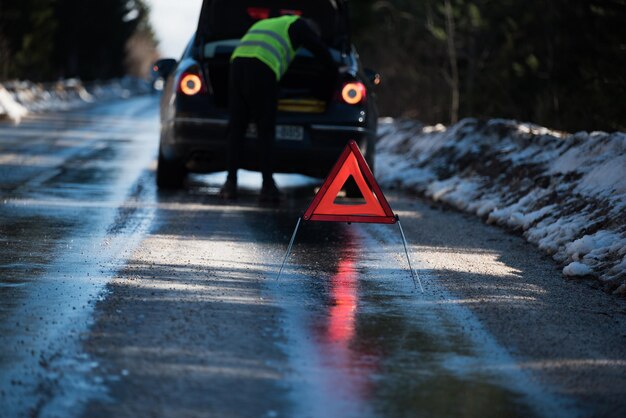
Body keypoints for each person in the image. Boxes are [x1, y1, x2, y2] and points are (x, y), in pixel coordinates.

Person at [220, 15, 337, 202]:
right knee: (265, 128)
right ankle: (267, 187)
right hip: (262, 67)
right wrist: (334, 70)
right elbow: (320, 50)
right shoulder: (298, 25)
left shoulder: (267, 23)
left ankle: (230, 184)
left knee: (237, 127)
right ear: (311, 30)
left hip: (237, 66)